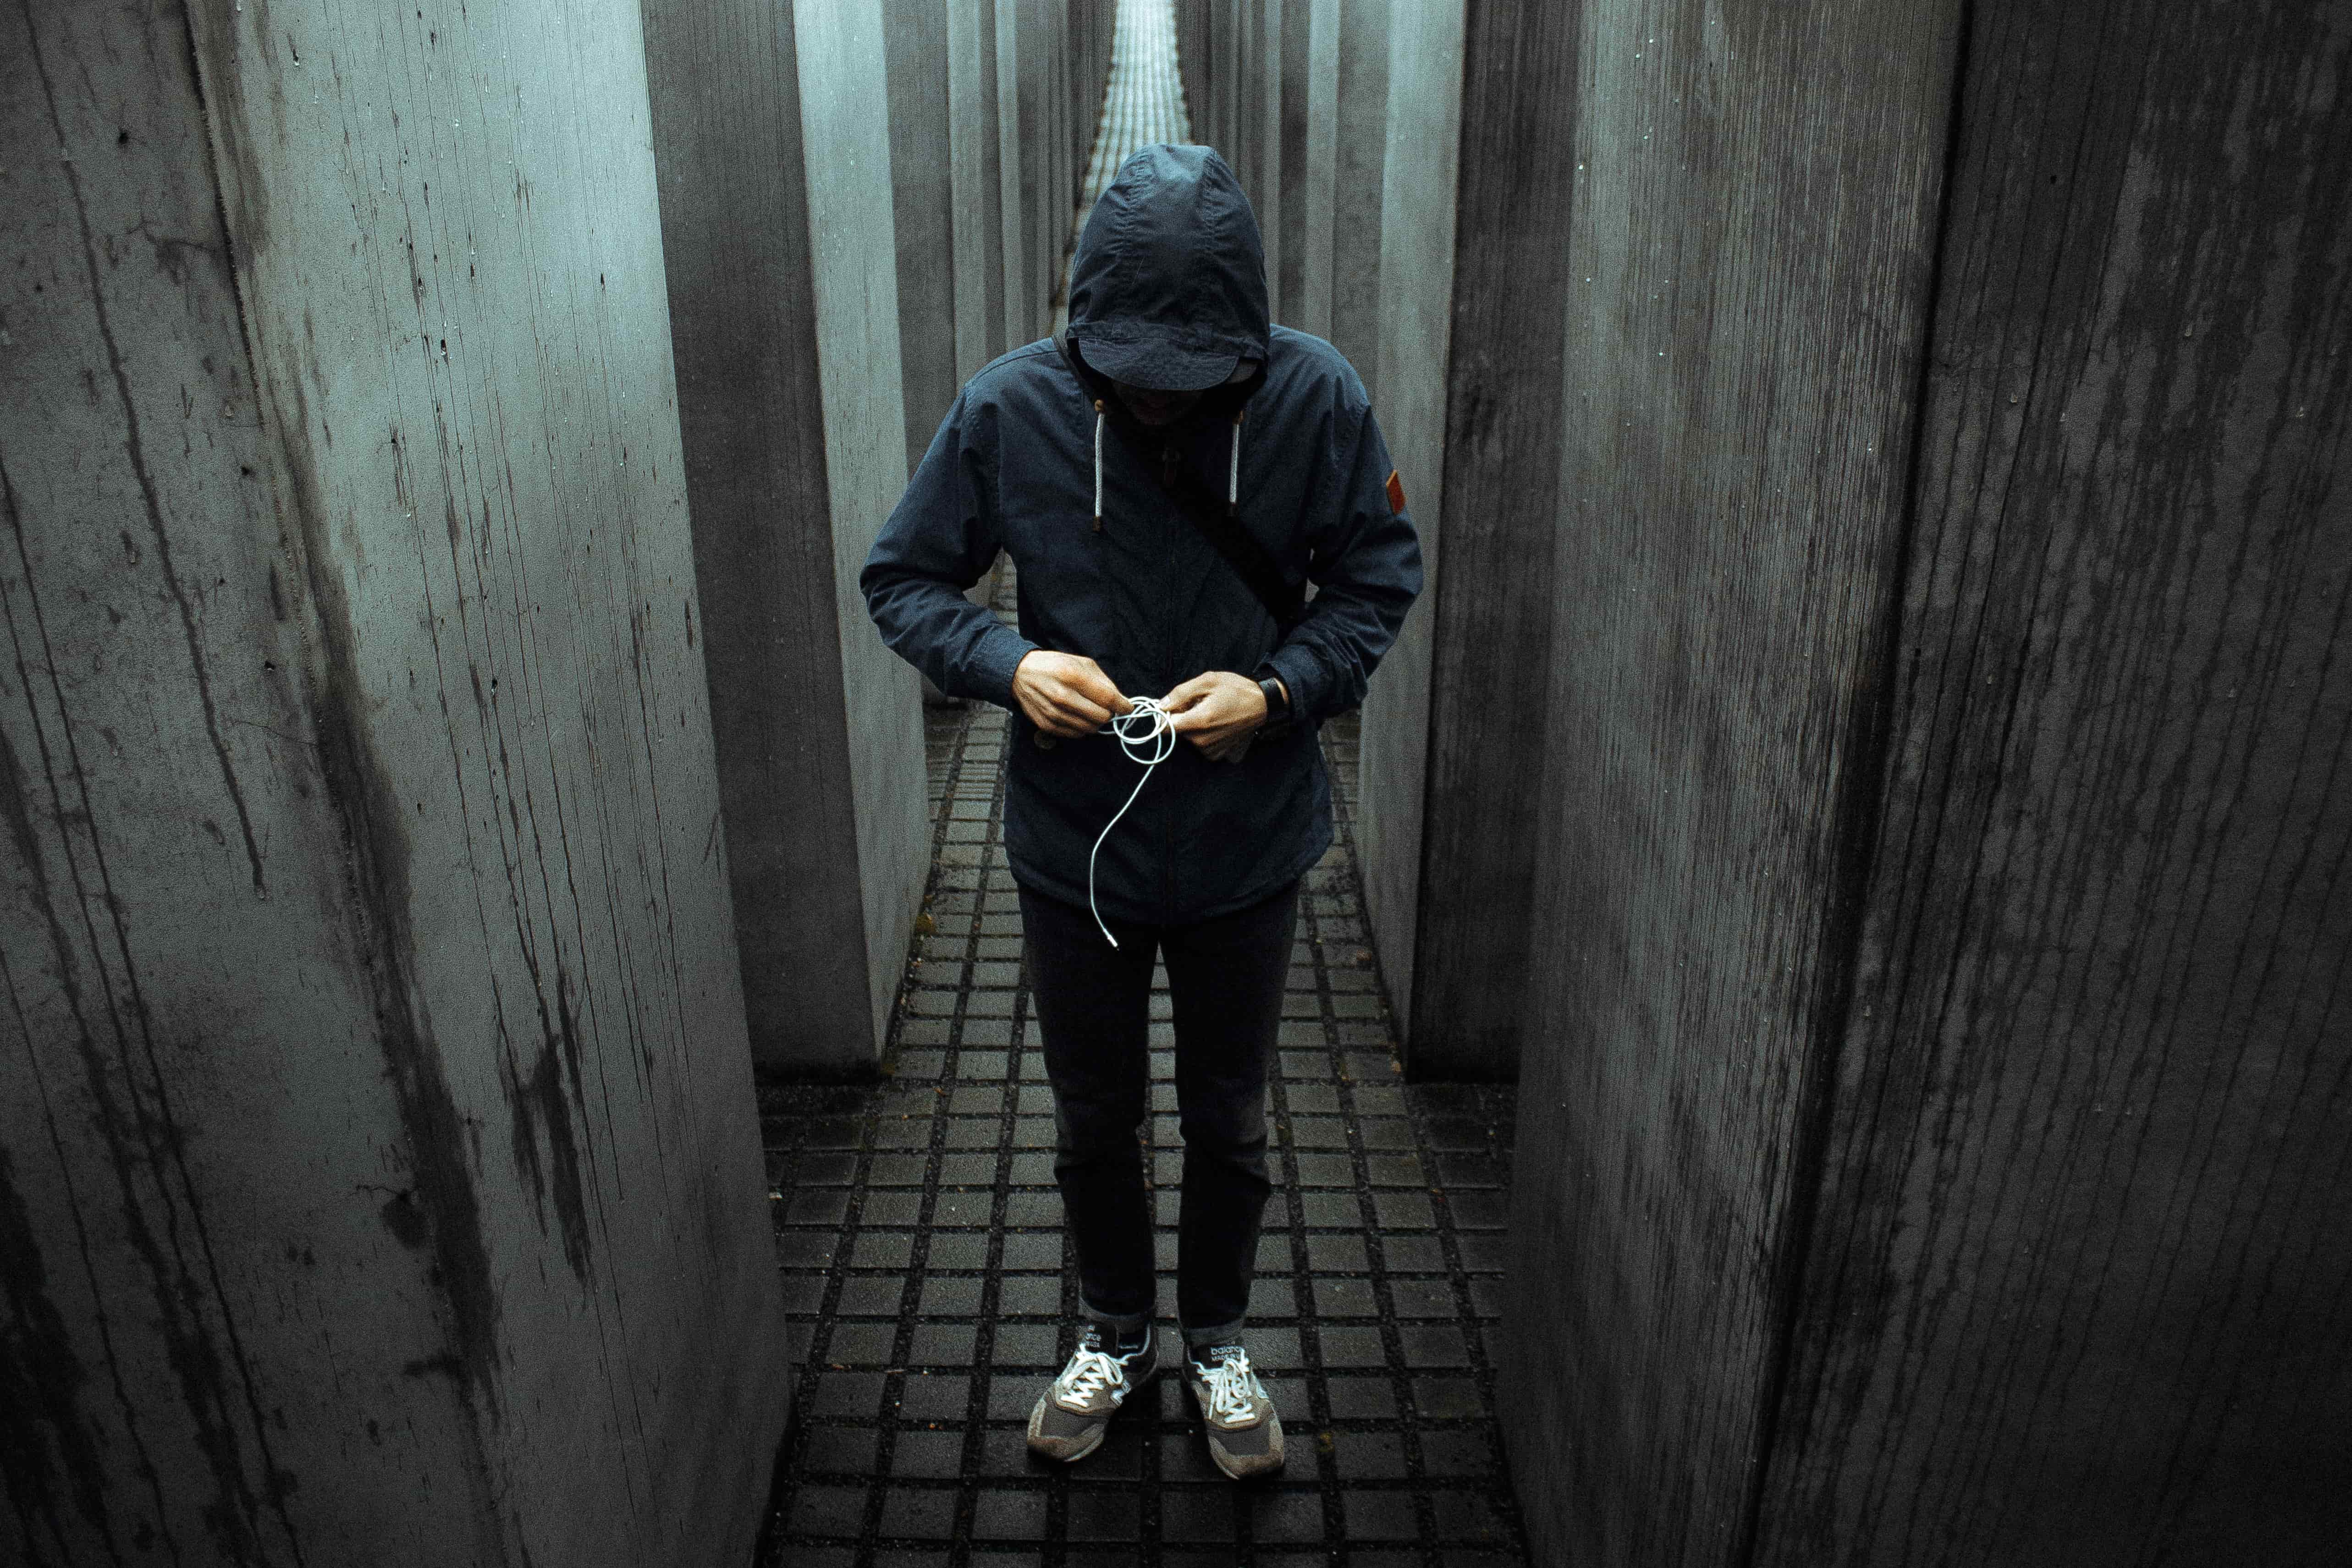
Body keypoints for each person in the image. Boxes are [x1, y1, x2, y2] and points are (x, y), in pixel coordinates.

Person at [861, 143, 1421, 1481]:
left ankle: (1218, 1336)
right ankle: (1115, 1326)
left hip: (1247, 840)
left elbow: (1375, 581)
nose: (1161, 404)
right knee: (1091, 1114)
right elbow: (904, 579)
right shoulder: (1008, 410)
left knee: (1227, 1112)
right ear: (1084, 330)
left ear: (1244, 337)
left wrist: (1280, 693)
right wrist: (1007, 665)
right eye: (1130, 379)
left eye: (1195, 380)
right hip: (1077, 847)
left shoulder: (1317, 396)